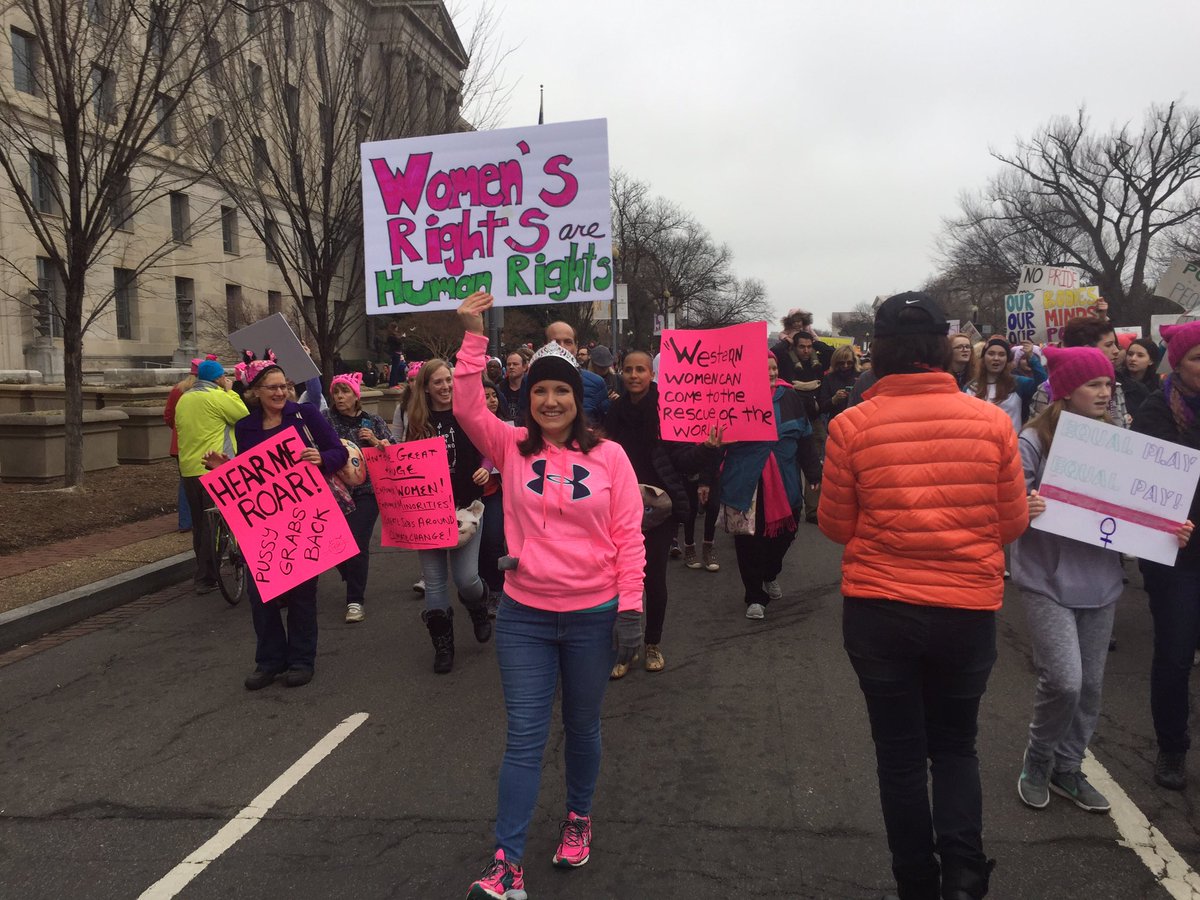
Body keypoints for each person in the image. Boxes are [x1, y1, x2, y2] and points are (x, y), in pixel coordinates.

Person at [819, 291, 1028, 900]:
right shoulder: (991, 423)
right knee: (956, 746)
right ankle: (965, 874)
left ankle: (916, 881)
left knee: (900, 755)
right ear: (944, 349)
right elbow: (1011, 523)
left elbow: (834, 525)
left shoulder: (851, 424)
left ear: (878, 352)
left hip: (880, 612)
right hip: (966, 611)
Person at [453, 292, 644, 900]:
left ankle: (578, 819)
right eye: (540, 391)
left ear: (578, 398)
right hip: (524, 616)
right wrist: (472, 336)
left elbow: (629, 539)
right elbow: (464, 407)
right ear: (528, 399)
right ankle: (507, 862)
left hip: (593, 616)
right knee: (525, 736)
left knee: (583, 728)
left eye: (561, 391)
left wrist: (632, 609)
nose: (551, 400)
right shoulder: (510, 445)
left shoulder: (611, 457)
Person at [1013, 347, 1192, 812]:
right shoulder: (1032, 442)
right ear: (1066, 391)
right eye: (1093, 384)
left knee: (1091, 685)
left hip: (1101, 581)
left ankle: (1068, 768)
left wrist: (1172, 528)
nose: (1104, 391)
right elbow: (1003, 509)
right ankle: (1038, 758)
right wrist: (1022, 509)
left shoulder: (1120, 442)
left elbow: (1145, 509)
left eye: (1108, 384)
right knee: (1065, 681)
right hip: (1045, 578)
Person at [208, 359, 348, 690]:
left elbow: (338, 452)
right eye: (273, 387)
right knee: (262, 596)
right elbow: (250, 474)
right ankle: (269, 661)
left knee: (302, 595)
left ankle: (301, 660)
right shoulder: (245, 427)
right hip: (264, 525)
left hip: (304, 519)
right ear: (256, 392)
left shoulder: (305, 416)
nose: (281, 392)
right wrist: (225, 469)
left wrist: (321, 458)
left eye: (284, 385)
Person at [605, 349, 719, 675]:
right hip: (619, 509)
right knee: (619, 581)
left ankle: (652, 642)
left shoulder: (669, 410)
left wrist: (706, 450)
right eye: (628, 370)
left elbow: (682, 460)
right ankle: (625, 648)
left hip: (659, 510)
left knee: (653, 579)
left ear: (651, 375)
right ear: (621, 373)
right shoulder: (613, 412)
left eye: (641, 369)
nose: (634, 375)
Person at [1131, 320, 1200, 791]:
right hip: (1175, 554)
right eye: (1198, 358)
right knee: (1175, 655)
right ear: (1177, 363)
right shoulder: (1157, 410)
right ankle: (1172, 747)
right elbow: (1153, 486)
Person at [712, 351, 819, 621]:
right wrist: (705, 478)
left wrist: (813, 471)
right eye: (764, 368)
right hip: (745, 481)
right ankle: (754, 595)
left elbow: (805, 437)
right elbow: (717, 440)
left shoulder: (791, 397)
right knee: (748, 542)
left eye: (773, 368)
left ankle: (770, 573)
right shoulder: (734, 397)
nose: (771, 373)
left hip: (785, 482)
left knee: (785, 535)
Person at [404, 358, 492, 674]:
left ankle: (478, 607)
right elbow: (404, 463)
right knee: (436, 583)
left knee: (466, 579)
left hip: (467, 508)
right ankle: (443, 646)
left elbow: (489, 445)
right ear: (426, 387)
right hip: (427, 512)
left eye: (448, 380)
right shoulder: (415, 419)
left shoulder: (467, 412)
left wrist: (485, 467)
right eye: (438, 382)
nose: (445, 386)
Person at [174, 358, 247, 594]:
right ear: (217, 378)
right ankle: (206, 577)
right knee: (214, 527)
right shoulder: (217, 396)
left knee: (199, 524)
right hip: (215, 468)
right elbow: (243, 415)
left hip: (188, 470)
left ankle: (203, 571)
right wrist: (231, 391)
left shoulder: (184, 399)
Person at [324, 372, 392, 624]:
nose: (340, 397)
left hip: (366, 492)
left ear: (356, 396)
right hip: (334, 491)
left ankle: (355, 600)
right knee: (335, 546)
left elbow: (394, 450)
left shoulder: (372, 421)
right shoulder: (326, 420)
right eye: (336, 393)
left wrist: (375, 441)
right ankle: (351, 572)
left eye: (345, 392)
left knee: (356, 543)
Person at [1029, 317, 1127, 426]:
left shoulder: (1116, 388)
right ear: (1087, 349)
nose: (1105, 393)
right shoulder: (1047, 389)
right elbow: (1040, 432)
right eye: (1093, 385)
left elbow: (1122, 429)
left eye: (1108, 384)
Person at [965, 336, 1038, 432]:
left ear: (1007, 359)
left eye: (1001, 354)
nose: (996, 358)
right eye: (991, 354)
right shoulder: (970, 387)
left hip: (1011, 444)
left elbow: (1044, 386)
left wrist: (1031, 358)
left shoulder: (1018, 383)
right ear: (983, 358)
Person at [544, 321, 610, 424]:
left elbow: (605, 426)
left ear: (576, 347)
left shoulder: (596, 383)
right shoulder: (531, 381)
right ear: (545, 346)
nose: (561, 347)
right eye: (555, 342)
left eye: (568, 342)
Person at [818, 345, 859, 424]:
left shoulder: (860, 376)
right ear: (835, 362)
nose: (845, 366)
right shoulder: (829, 378)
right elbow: (822, 406)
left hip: (856, 420)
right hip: (836, 421)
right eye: (841, 363)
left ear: (854, 361)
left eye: (849, 362)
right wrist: (834, 399)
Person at [498, 351, 526, 423]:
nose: (511, 367)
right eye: (508, 364)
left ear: (524, 367)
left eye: (515, 364)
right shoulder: (499, 389)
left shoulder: (532, 388)